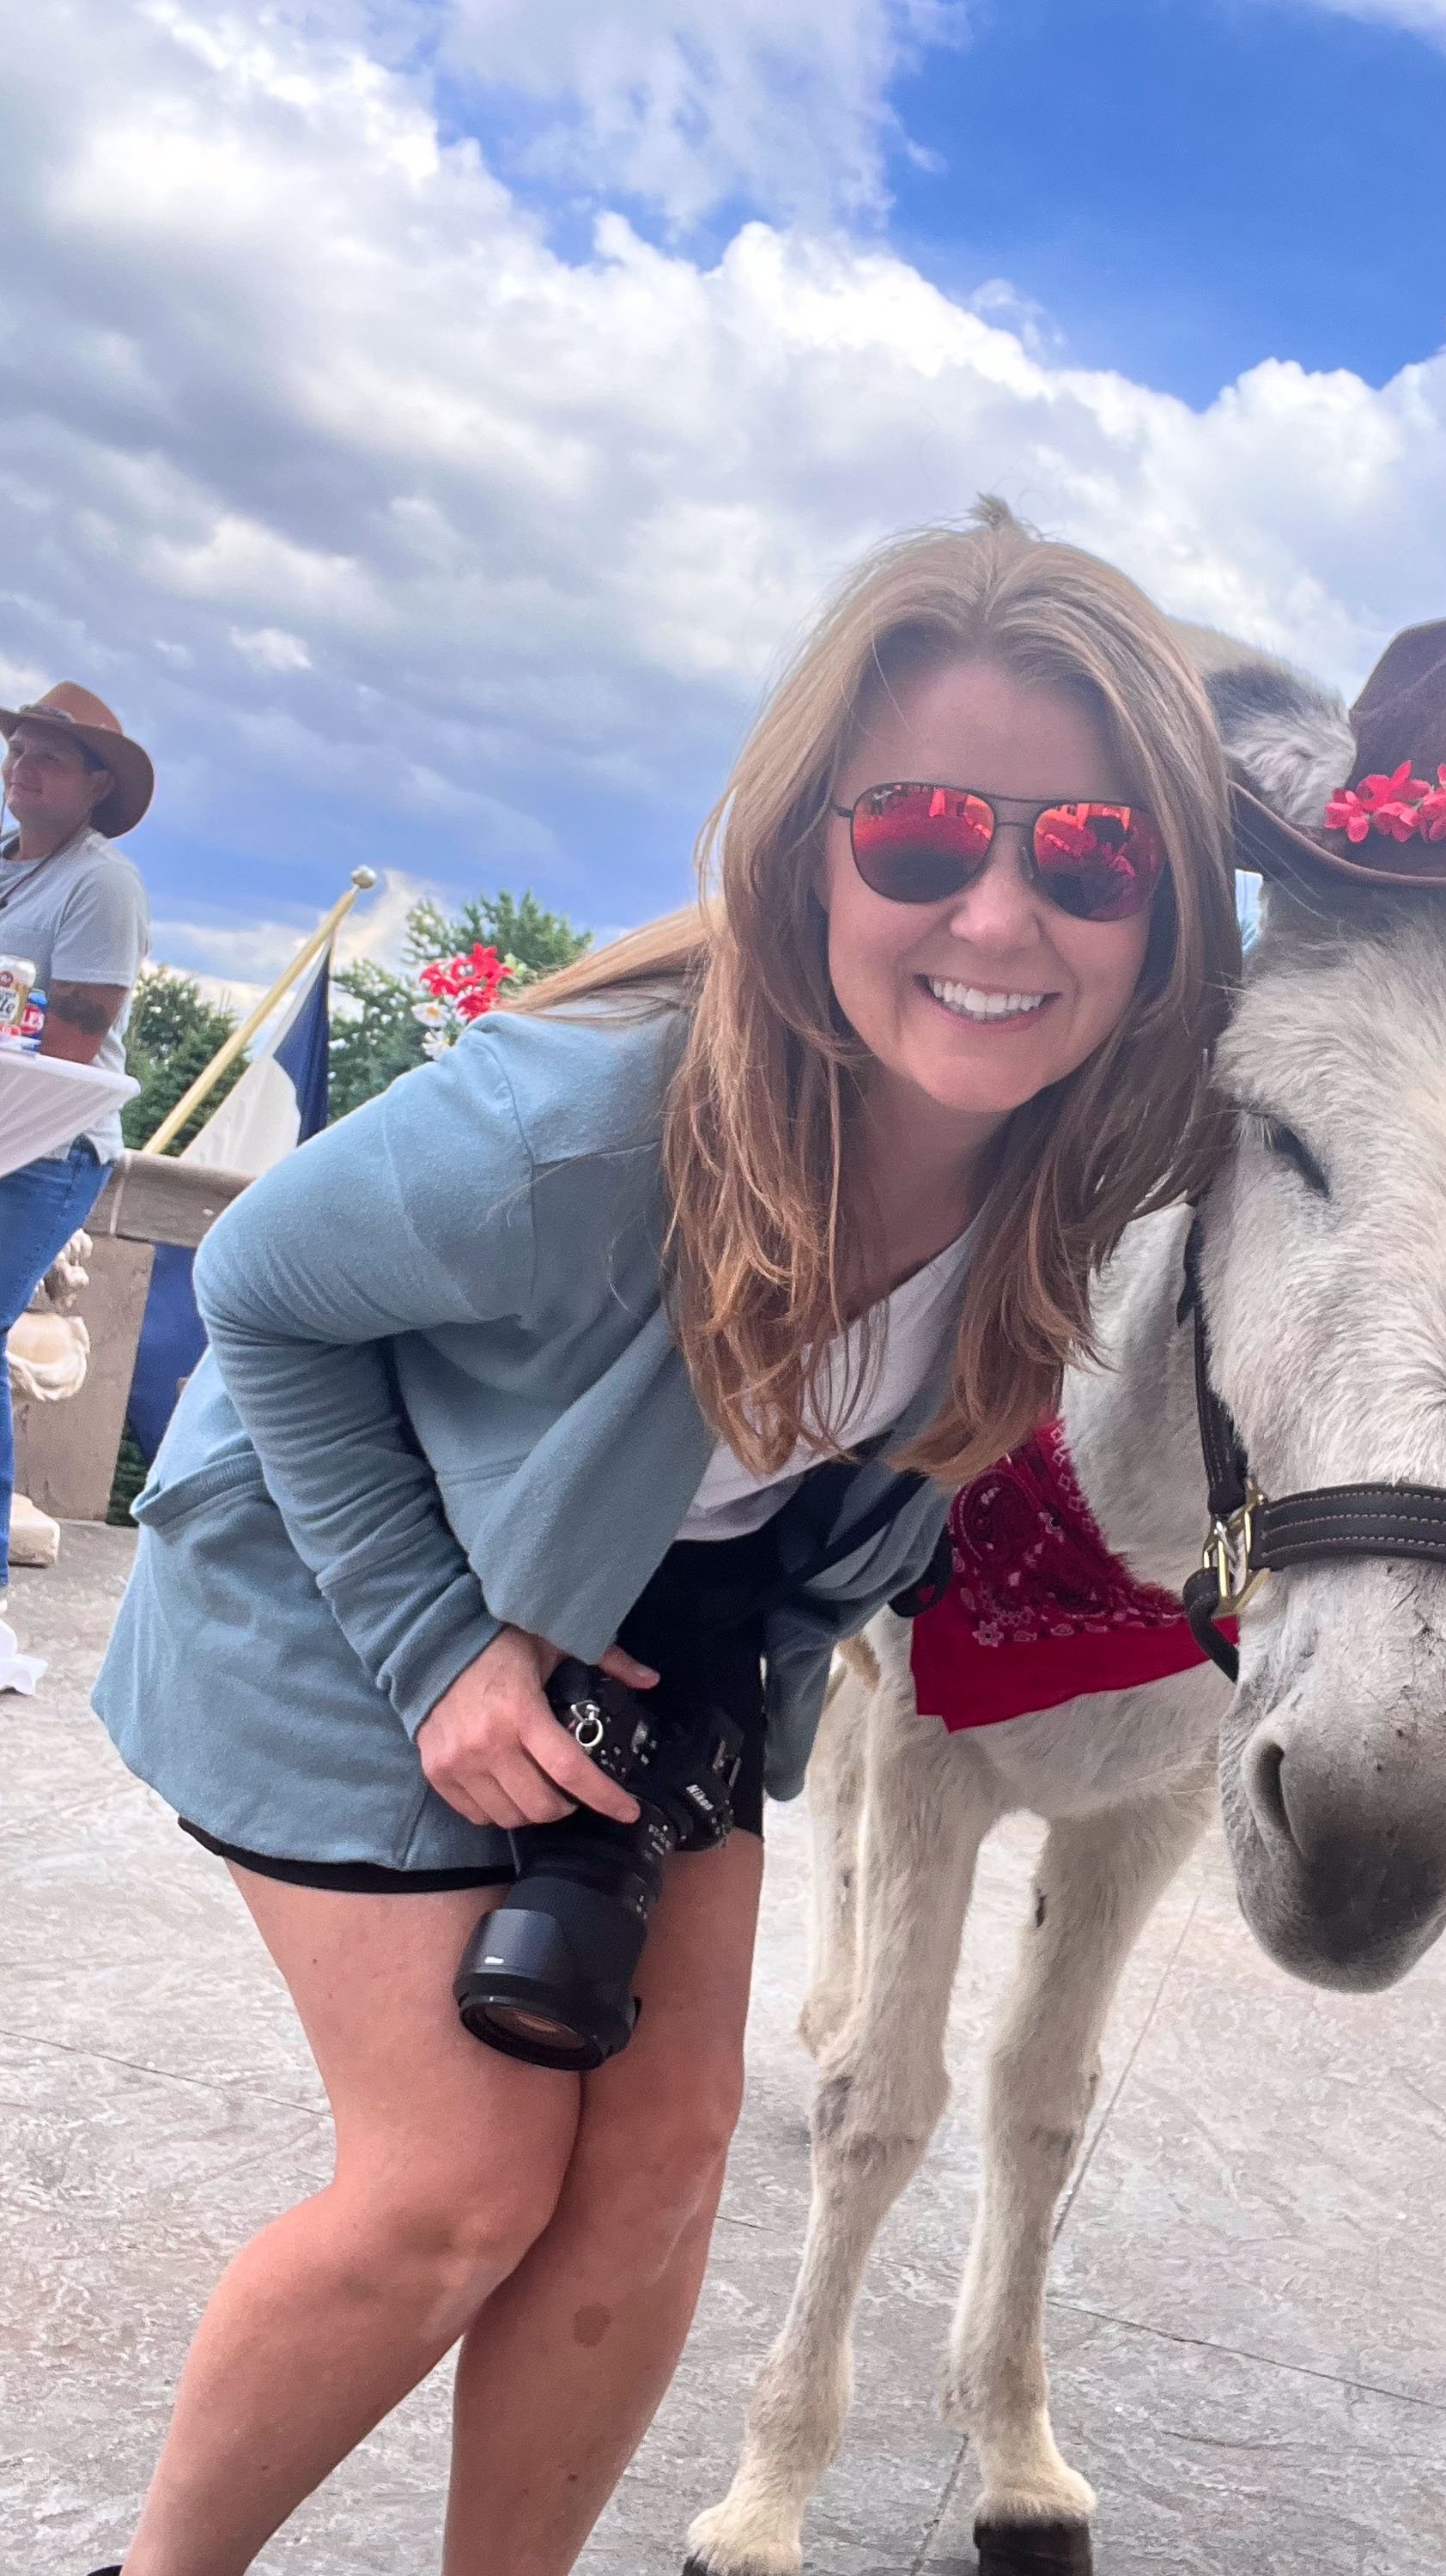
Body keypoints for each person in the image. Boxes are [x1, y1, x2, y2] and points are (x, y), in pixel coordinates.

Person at [86, 501, 1242, 2576]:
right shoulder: (582, 1125)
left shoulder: (1069, 1167)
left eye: (1087, 852)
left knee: (662, 2166)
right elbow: (257, 1283)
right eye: (919, 834)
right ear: (806, 843)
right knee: (460, 2177)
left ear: (1162, 910)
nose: (997, 911)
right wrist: (442, 1645)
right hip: (346, 1575)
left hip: (657, 1625)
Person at [0, 683, 151, 1573]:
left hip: (44, 1146)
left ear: (99, 785)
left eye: (50, 757)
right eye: (20, 749)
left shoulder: (102, 884)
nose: (24, 766)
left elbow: (71, 1044)